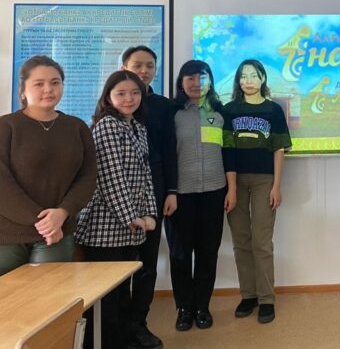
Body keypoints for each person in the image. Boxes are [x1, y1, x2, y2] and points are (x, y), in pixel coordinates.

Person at [75, 70, 158, 349]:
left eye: (134, 93)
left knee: (123, 292)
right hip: (104, 227)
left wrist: (150, 214)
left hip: (131, 227)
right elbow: (111, 177)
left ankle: (121, 341)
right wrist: (131, 217)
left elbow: (146, 176)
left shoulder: (137, 127)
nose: (128, 98)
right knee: (105, 298)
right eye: (121, 93)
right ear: (108, 97)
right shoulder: (107, 125)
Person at [0, 55, 96, 275]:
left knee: (50, 294)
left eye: (55, 82)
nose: (48, 89)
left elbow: (88, 177)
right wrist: (44, 222)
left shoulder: (77, 127)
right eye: (39, 84)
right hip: (8, 233)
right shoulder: (6, 126)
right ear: (22, 90)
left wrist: (62, 213)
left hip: (58, 230)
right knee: (7, 295)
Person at [166, 60, 236, 331]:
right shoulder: (172, 113)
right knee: (180, 254)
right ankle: (184, 308)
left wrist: (231, 189)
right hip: (180, 195)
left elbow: (229, 153)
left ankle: (202, 307)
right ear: (181, 82)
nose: (196, 84)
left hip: (214, 193)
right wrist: (169, 191)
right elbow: (165, 155)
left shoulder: (220, 113)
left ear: (210, 81)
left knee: (208, 253)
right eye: (190, 78)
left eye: (202, 78)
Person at [224, 59, 291, 324]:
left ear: (263, 78)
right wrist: (231, 188)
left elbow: (279, 149)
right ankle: (248, 295)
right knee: (241, 241)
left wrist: (277, 185)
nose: (248, 81)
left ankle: (266, 299)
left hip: (265, 180)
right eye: (243, 76)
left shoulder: (274, 110)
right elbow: (227, 150)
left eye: (253, 75)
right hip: (234, 180)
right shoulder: (229, 110)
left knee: (262, 241)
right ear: (238, 80)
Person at [121, 46, 177, 349]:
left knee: (147, 262)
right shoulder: (114, 101)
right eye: (137, 65)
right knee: (118, 263)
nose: (144, 71)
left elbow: (169, 151)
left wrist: (171, 191)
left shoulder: (163, 106)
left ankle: (138, 324)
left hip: (154, 189)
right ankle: (116, 326)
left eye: (149, 66)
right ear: (124, 67)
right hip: (118, 192)